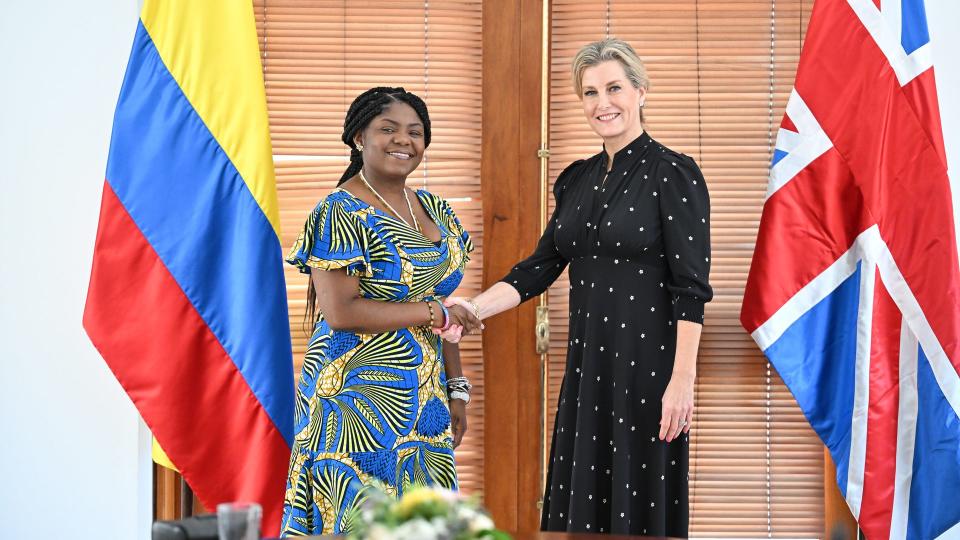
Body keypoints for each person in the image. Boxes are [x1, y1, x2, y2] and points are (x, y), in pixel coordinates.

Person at [441, 39, 712, 537]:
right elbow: (538, 268)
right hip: (589, 372)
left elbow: (690, 290)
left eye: (613, 88)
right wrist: (469, 309)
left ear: (641, 92)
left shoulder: (673, 173)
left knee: (640, 520)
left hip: (649, 372)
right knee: (578, 523)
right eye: (590, 93)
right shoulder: (575, 179)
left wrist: (682, 382)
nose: (602, 103)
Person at [280, 87, 482, 536]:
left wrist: (458, 390)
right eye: (387, 129)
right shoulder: (339, 211)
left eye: (415, 132)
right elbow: (341, 311)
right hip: (353, 405)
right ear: (358, 138)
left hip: (423, 403)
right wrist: (433, 314)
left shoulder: (437, 210)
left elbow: (443, 308)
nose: (403, 140)